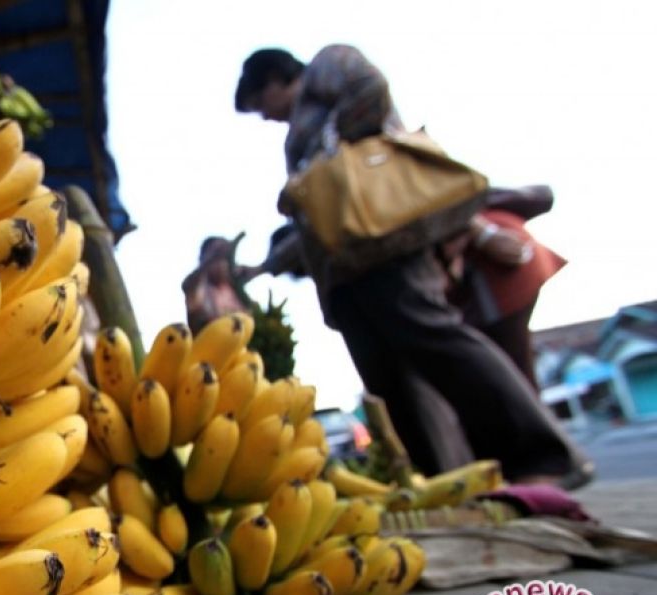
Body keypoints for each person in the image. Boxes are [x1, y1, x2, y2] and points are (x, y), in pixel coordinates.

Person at [233, 45, 593, 488]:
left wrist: (324, 156)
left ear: (273, 79)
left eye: (259, 107)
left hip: (388, 246)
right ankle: (451, 482)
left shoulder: (329, 65)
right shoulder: (299, 135)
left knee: (437, 341)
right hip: (345, 270)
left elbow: (371, 90)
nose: (266, 118)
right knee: (389, 381)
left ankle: (544, 456)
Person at [440, 186, 567, 392]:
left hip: (496, 267)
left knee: (509, 379)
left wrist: (484, 234)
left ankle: (530, 421)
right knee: (510, 376)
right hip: (500, 256)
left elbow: (437, 194)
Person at [182, 236, 253, 334]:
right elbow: (188, 284)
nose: (222, 264)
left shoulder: (234, 289)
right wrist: (212, 256)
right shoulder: (199, 288)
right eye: (217, 259)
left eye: (225, 259)